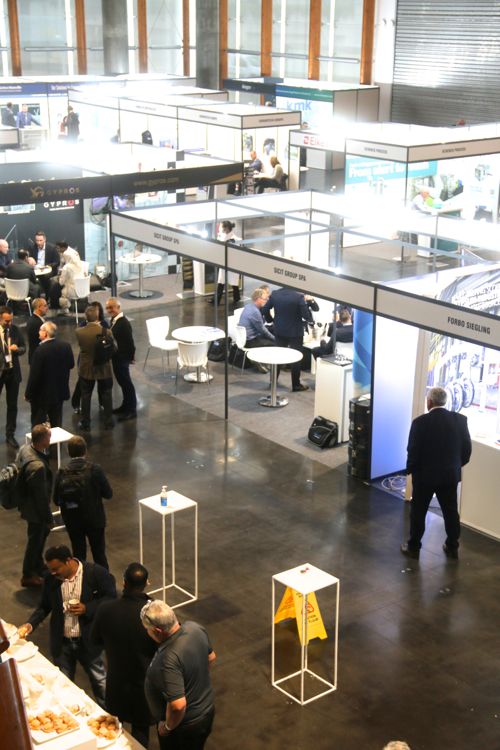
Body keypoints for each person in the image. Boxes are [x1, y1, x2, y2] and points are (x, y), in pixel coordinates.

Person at [17, 544, 116, 707]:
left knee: (100, 683)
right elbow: (44, 606)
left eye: (56, 569)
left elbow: (111, 598)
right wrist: (30, 624)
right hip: (62, 643)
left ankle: (110, 715)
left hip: (88, 641)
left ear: (68, 561)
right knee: (63, 685)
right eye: (50, 569)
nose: (52, 573)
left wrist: (87, 608)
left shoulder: (96, 573)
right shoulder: (51, 579)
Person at [401, 386, 472, 560]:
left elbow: (413, 450)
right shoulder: (460, 420)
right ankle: (452, 546)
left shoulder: (420, 422)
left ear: (429, 402)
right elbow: (466, 450)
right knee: (450, 512)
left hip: (424, 477)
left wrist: (411, 470)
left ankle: (414, 547)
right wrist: (455, 466)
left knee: (419, 512)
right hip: (449, 476)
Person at [91, 563, 157, 748]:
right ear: (147, 583)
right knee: (140, 734)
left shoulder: (106, 609)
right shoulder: (154, 613)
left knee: (111, 733)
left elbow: (94, 640)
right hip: (144, 686)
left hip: (116, 683)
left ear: (124, 582)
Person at [142, 600, 216, 750]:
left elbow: (178, 705)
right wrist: (195, 679)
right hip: (206, 713)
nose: (147, 633)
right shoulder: (195, 628)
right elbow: (211, 657)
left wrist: (168, 727)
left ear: (157, 631)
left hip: (183, 728)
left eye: (147, 630)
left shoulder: (168, 660)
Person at [54, 436, 112, 569]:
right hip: (94, 519)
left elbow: (56, 500)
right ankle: (103, 580)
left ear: (68, 452)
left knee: (78, 555)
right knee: (99, 554)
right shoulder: (95, 470)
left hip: (72, 520)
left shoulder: (61, 473)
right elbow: (108, 494)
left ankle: (80, 580)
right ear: (85, 451)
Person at [17, 423, 53, 587]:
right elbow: (41, 498)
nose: (50, 439)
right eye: (48, 436)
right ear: (42, 440)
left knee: (39, 537)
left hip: (27, 504)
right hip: (35, 511)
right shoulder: (38, 467)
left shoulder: (25, 449)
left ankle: (37, 565)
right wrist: (49, 518)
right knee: (35, 541)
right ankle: (27, 574)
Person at [25, 321, 74, 427]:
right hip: (60, 392)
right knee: (57, 423)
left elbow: (34, 376)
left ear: (45, 333)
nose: (39, 332)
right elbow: (71, 364)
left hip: (42, 396)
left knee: (38, 424)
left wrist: (28, 394)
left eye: (40, 330)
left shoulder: (40, 351)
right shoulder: (66, 346)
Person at [262, 287, 312, 392]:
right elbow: (306, 315)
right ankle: (296, 385)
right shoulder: (298, 296)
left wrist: (271, 320)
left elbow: (265, 309)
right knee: (296, 359)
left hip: (280, 331)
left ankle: (273, 381)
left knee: (277, 358)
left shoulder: (275, 294)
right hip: (295, 332)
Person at [75, 305, 115, 432]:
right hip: (103, 367)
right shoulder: (106, 332)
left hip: (86, 368)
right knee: (106, 394)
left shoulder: (79, 332)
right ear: (97, 316)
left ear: (86, 317)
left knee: (86, 395)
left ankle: (86, 423)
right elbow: (113, 348)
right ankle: (108, 422)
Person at [105, 297, 137, 421]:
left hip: (123, 358)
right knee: (123, 383)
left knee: (126, 383)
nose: (109, 310)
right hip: (117, 357)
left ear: (118, 307)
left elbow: (130, 342)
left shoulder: (123, 323)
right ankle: (125, 406)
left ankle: (131, 410)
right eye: (107, 308)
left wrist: (131, 357)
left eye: (111, 307)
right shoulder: (114, 320)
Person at [0, 304, 26, 448]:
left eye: (11, 320)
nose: (9, 323)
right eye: (6, 321)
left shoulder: (15, 330)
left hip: (12, 372)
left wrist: (17, 350)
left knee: (12, 405)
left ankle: (10, 434)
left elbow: (24, 348)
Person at [239, 288, 275, 372]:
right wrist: (274, 338)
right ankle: (261, 362)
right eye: (265, 299)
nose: (266, 301)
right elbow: (262, 330)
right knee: (275, 343)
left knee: (269, 332)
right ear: (258, 299)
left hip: (244, 337)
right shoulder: (255, 311)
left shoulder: (248, 306)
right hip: (250, 341)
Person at [211, 221, 241, 306]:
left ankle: (236, 298)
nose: (221, 229)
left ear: (227, 228)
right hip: (224, 262)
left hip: (232, 264)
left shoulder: (235, 238)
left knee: (233, 282)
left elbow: (238, 248)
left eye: (222, 227)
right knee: (221, 281)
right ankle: (216, 300)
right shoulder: (222, 236)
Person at [28, 231, 60, 298]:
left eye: (40, 240)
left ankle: (46, 297)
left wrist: (46, 267)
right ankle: (35, 298)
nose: (38, 243)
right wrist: (29, 259)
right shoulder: (32, 247)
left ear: (44, 239)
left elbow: (57, 262)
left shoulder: (52, 248)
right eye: (37, 240)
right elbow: (28, 258)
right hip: (36, 270)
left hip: (47, 270)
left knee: (45, 277)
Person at [58, 247, 87, 313]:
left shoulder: (66, 267)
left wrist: (60, 277)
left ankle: (65, 309)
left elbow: (61, 282)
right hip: (84, 290)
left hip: (73, 291)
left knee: (63, 292)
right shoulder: (82, 265)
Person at [26, 297, 48, 364]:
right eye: (45, 306)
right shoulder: (35, 323)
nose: (47, 308)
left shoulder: (35, 320)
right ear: (39, 307)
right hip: (38, 358)